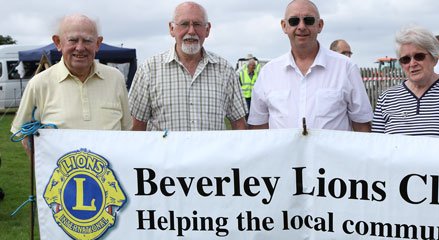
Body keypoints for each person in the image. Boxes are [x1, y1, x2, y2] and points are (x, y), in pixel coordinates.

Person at [11, 14, 132, 154]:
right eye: (72, 40)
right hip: (62, 175)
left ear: (98, 44)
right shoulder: (38, 84)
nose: (80, 48)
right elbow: (24, 135)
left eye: (87, 40)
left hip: (111, 174)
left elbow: (127, 131)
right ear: (58, 42)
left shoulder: (116, 78)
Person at [248, 0, 372, 131]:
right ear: (284, 26)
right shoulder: (268, 73)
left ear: (320, 25)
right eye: (294, 21)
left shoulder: (346, 68)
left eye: (308, 20)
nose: (301, 26)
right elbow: (258, 129)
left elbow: (362, 126)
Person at [128, 1, 247, 131]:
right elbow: (136, 129)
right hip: (166, 152)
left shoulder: (225, 70)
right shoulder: (149, 70)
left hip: (212, 152)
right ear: (171, 28)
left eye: (197, 24)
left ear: (207, 29)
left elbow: (239, 125)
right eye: (184, 24)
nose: (191, 31)